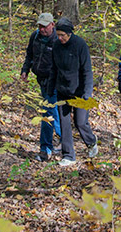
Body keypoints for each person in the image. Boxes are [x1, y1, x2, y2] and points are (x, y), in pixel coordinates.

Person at [48, 18, 98, 166]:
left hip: (80, 91)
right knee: (64, 124)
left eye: (63, 35)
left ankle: (91, 142)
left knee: (80, 122)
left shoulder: (80, 45)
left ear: (70, 33)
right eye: (58, 35)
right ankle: (69, 155)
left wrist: (87, 93)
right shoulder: (56, 45)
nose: (60, 38)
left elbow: (87, 71)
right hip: (62, 90)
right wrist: (51, 88)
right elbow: (53, 69)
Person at [20, 13, 62, 162]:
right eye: (40, 26)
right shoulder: (35, 36)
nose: (42, 29)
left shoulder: (58, 39)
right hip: (41, 79)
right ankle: (64, 139)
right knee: (53, 111)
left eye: (45, 26)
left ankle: (45, 149)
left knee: (47, 113)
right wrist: (25, 69)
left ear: (52, 25)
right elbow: (29, 54)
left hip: (55, 82)